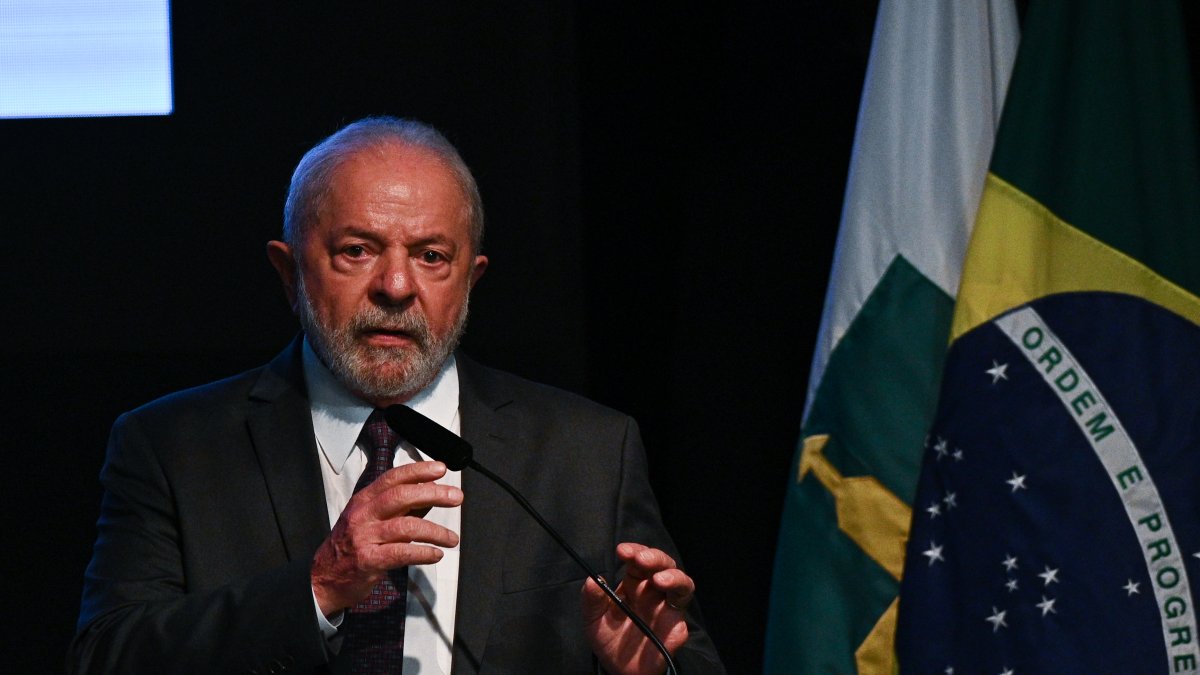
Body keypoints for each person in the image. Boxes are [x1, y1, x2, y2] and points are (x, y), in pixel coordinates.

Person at [69, 116, 725, 674]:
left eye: (433, 256)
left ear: (471, 279)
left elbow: (681, 656)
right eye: (358, 249)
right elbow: (106, 655)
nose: (397, 285)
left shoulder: (587, 451)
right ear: (289, 273)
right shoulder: (172, 447)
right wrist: (318, 586)